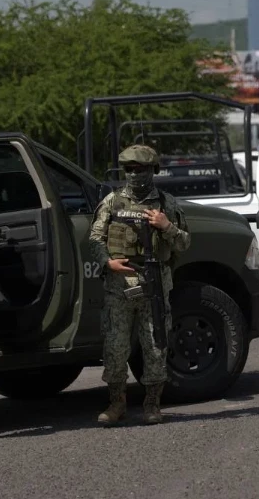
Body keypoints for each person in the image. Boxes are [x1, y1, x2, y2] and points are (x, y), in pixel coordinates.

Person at [89, 144, 191, 426]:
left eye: (141, 169)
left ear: (153, 170)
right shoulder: (112, 202)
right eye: (129, 169)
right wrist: (107, 263)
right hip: (119, 285)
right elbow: (95, 238)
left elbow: (184, 243)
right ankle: (117, 403)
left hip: (154, 283)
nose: (134, 175)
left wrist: (165, 225)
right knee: (115, 346)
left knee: (155, 345)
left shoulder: (166, 203)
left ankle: (152, 404)